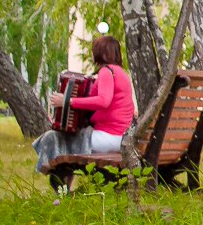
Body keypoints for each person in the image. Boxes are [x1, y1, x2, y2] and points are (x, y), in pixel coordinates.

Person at [32, 35, 137, 174]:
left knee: (55, 138)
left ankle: (59, 180)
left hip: (109, 137)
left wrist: (68, 101)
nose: (92, 53)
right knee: (64, 138)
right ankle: (63, 181)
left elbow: (104, 101)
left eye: (93, 50)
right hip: (120, 136)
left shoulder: (107, 71)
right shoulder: (121, 73)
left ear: (101, 52)